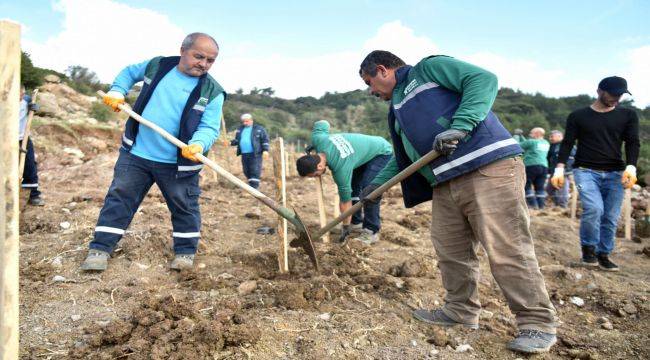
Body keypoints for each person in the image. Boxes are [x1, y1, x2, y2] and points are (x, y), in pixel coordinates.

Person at [358, 51, 557, 353]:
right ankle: (460, 312)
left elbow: (483, 79)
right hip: (445, 181)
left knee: (506, 247)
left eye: (370, 82)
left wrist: (461, 125)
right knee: (451, 251)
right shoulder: (396, 109)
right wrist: (376, 185)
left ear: (383, 70)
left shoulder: (428, 69)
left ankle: (537, 323)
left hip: (487, 167)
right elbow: (405, 157)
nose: (372, 91)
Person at [80, 32, 226, 271]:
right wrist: (118, 91)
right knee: (120, 198)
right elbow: (129, 73)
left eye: (210, 61)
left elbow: (209, 128)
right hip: (136, 154)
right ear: (183, 50)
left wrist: (199, 143)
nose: (204, 64)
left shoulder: (213, 92)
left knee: (184, 206)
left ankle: (185, 254)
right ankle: (100, 249)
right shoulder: (158, 66)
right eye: (198, 56)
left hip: (178, 163)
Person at [550, 76, 640, 272]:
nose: (617, 98)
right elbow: (568, 143)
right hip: (585, 170)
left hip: (616, 172)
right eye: (613, 94)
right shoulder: (578, 116)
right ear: (599, 91)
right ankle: (588, 251)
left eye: (621, 95)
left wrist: (631, 166)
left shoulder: (628, 115)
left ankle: (603, 254)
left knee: (610, 216)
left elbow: (633, 142)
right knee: (594, 209)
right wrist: (559, 167)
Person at [296, 120, 393, 244]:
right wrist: (313, 144)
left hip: (381, 152)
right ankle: (356, 223)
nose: (316, 177)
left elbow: (345, 201)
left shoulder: (340, 168)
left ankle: (371, 231)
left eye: (314, 175)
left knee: (370, 190)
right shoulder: (318, 140)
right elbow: (322, 123)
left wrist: (345, 227)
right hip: (360, 155)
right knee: (354, 185)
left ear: (319, 167)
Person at [19, 85, 44, 206]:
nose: (20, 96)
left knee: (29, 165)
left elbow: (40, 111)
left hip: (23, 138)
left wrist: (35, 108)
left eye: (22, 94)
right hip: (5, 140)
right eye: (18, 94)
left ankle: (33, 195)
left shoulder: (26, 100)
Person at [230, 113, 269, 189]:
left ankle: (254, 188)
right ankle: (251, 186)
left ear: (251, 120)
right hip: (244, 154)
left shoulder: (259, 129)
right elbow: (237, 140)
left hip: (255, 153)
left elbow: (265, 139)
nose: (245, 123)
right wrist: (230, 143)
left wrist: (265, 150)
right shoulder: (240, 129)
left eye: (247, 121)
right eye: (243, 121)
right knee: (246, 170)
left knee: (254, 170)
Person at [515, 127, 550, 209]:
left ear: (537, 134)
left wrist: (516, 136)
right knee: (540, 187)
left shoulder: (532, 142)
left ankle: (533, 205)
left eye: (531, 133)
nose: (530, 135)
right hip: (544, 166)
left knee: (527, 185)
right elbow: (527, 143)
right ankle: (541, 206)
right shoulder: (546, 143)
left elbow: (517, 146)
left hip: (531, 165)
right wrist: (522, 136)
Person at [546, 130, 575, 208]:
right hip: (553, 171)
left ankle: (562, 206)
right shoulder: (552, 146)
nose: (550, 138)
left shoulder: (566, 145)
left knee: (562, 188)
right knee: (549, 189)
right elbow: (549, 159)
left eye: (552, 136)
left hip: (563, 171)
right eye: (550, 136)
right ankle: (557, 204)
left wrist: (566, 170)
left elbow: (571, 158)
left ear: (560, 136)